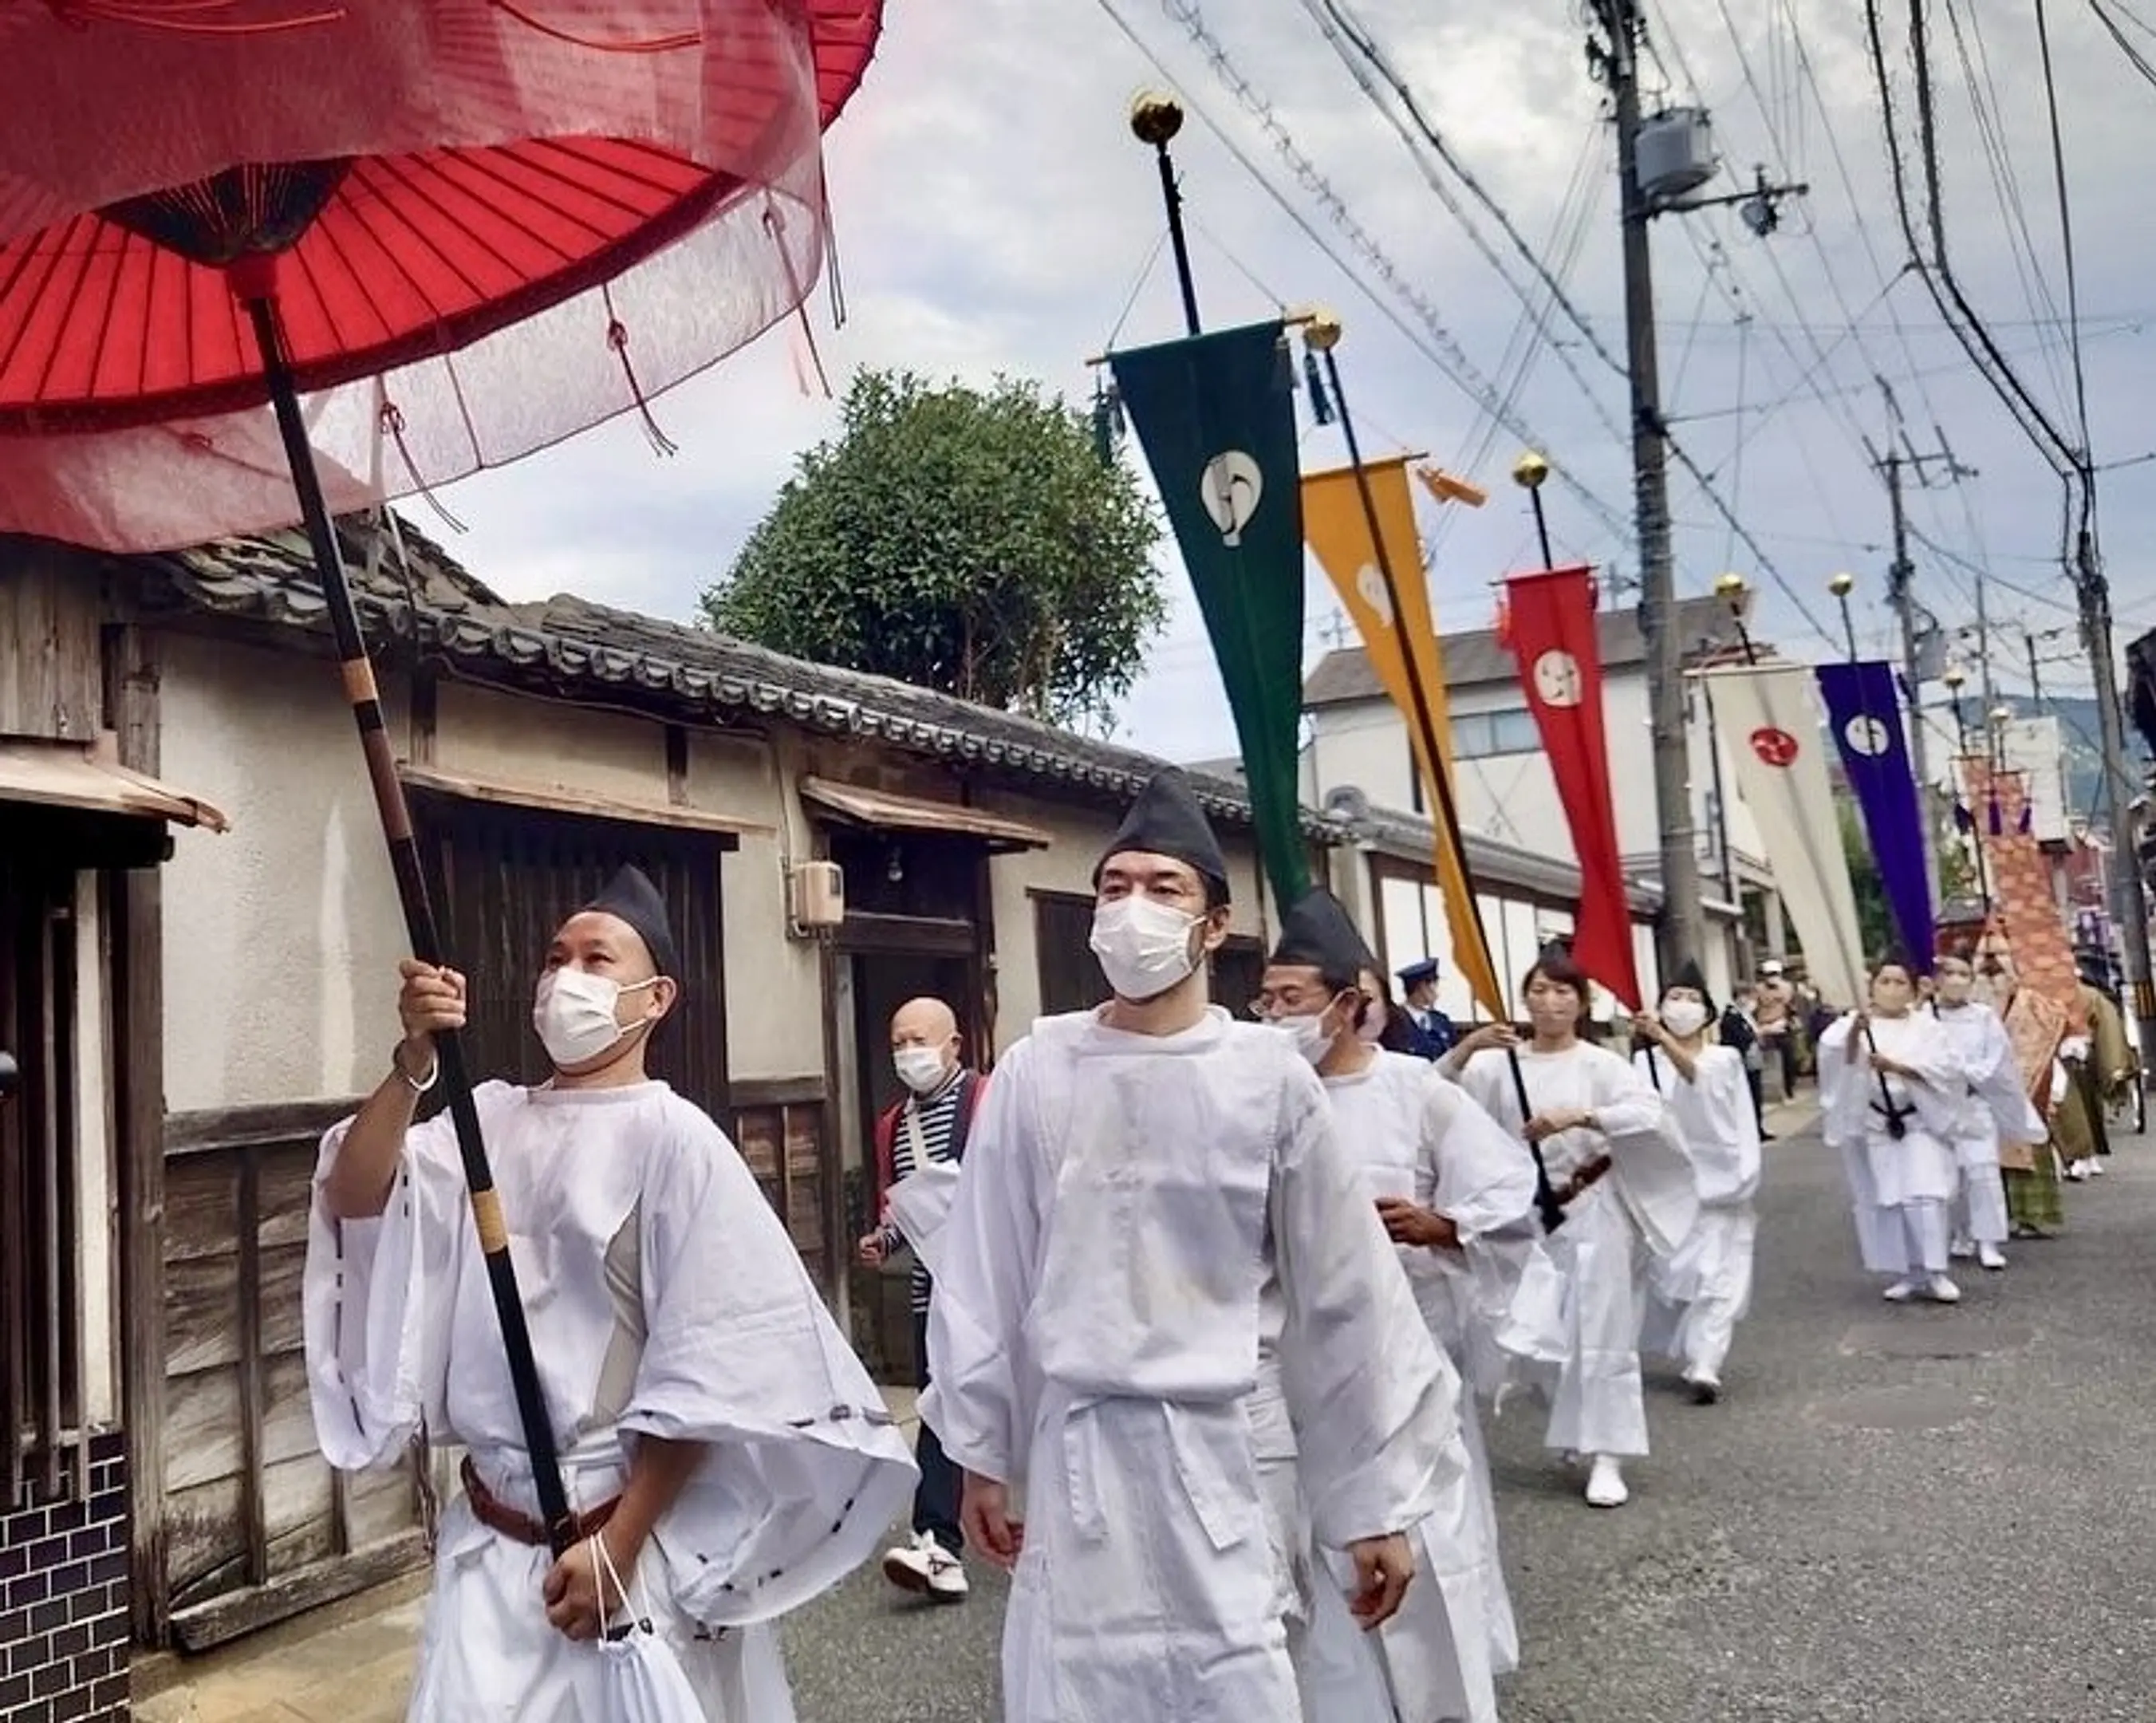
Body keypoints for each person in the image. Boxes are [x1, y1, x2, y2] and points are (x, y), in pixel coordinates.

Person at [302, 866, 916, 1720]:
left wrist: (619, 1546)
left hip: (618, 1531)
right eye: (558, 957)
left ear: (655, 996)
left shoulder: (677, 1141)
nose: (568, 977)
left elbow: (709, 1369)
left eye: (597, 959)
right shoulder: (490, 1120)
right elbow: (355, 1194)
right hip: (487, 1539)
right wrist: (413, 1064)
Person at [921, 769, 1452, 1723]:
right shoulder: (1041, 1072)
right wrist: (983, 1451)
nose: (1133, 909)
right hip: (1080, 1447)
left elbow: (1344, 1296)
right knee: (1075, 1686)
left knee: (1237, 1675)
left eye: (1163, 889)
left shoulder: (1267, 1081)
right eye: (1114, 887)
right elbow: (986, 1277)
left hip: (1225, 1447)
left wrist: (1370, 1500)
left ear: (1215, 927)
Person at [1259, 890, 1540, 1723]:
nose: (1274, 1016)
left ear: (1348, 1005)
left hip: (1412, 1356)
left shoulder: (1416, 1090)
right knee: (1310, 1553)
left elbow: (1509, 1195)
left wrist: (1441, 1225)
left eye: (1291, 999)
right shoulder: (1259, 1097)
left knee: (1426, 1534)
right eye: (1264, 1000)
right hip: (1292, 1367)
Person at [1445, 947, 1697, 1511]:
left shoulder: (1601, 1065)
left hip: (1591, 1207)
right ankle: (1570, 1426)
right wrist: (1465, 1049)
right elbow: (1436, 1105)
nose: (1550, 1001)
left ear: (1581, 1002)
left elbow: (1650, 1115)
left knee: (1601, 1332)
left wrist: (1581, 1117)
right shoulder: (1495, 1066)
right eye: (1538, 990)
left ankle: (1607, 1452)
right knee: (1535, 1337)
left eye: (1563, 992)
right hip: (1524, 1218)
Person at [857, 997, 984, 1603]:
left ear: (955, 1043)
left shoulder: (990, 1102)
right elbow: (899, 1205)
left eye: (920, 1040)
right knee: (936, 1407)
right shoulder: (891, 1125)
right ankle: (936, 1541)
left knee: (1020, 1405)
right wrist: (883, 1239)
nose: (909, 1052)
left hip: (995, 1287)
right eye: (898, 1042)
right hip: (931, 1288)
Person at [1633, 963, 1762, 1406]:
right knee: (1673, 1278)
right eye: (1674, 997)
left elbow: (1699, 1085)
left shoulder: (1722, 1059)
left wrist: (1664, 1040)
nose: (1682, 1007)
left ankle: (1706, 1361)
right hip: (1666, 1186)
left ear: (1708, 1012)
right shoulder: (1641, 1062)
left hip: (1719, 1182)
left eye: (1692, 998)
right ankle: (1686, 1349)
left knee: (1716, 1277)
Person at [1818, 954, 1966, 1305]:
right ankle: (1908, 1271)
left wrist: (1898, 1066)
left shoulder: (1927, 1027)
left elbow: (1947, 1071)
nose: (1891, 989)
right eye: (1885, 981)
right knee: (1892, 1198)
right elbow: (1837, 1062)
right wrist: (1856, 1033)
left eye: (1900, 983)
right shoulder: (1851, 1024)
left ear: (1913, 990)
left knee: (1925, 1195)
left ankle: (1935, 1270)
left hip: (1918, 1120)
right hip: (1877, 1121)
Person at [1927, 953, 2040, 1272]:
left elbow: (1997, 1058)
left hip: (1976, 1102)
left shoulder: (1984, 1017)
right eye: (1950, 974)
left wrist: (1970, 1075)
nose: (1958, 981)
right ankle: (1960, 1233)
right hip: (1937, 1105)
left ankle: (1988, 1240)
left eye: (1965, 974)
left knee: (1983, 1171)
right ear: (1936, 979)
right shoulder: (1925, 1017)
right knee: (1950, 1176)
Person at [1722, 982, 1772, 1141]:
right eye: (1750, 996)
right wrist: (1761, 1033)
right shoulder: (1731, 1016)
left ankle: (1758, 1128)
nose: (1753, 1000)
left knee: (1756, 1097)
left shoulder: (1746, 1015)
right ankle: (1751, 1130)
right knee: (1748, 1097)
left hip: (1754, 1060)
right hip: (1743, 1063)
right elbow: (1741, 1037)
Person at [1396, 958, 1457, 1060]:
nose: (1436, 990)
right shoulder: (1396, 1021)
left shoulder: (1441, 1021)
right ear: (1422, 987)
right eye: (1434, 984)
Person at [1754, 960, 1798, 1102]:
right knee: (1767, 1060)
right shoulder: (1758, 989)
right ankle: (1770, 1090)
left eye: (1774, 974)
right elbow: (1754, 1008)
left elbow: (1792, 1006)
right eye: (1768, 974)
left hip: (1782, 1025)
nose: (1771, 977)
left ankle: (1789, 1089)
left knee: (1789, 1059)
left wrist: (1790, 1020)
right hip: (1764, 1026)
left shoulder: (1787, 988)